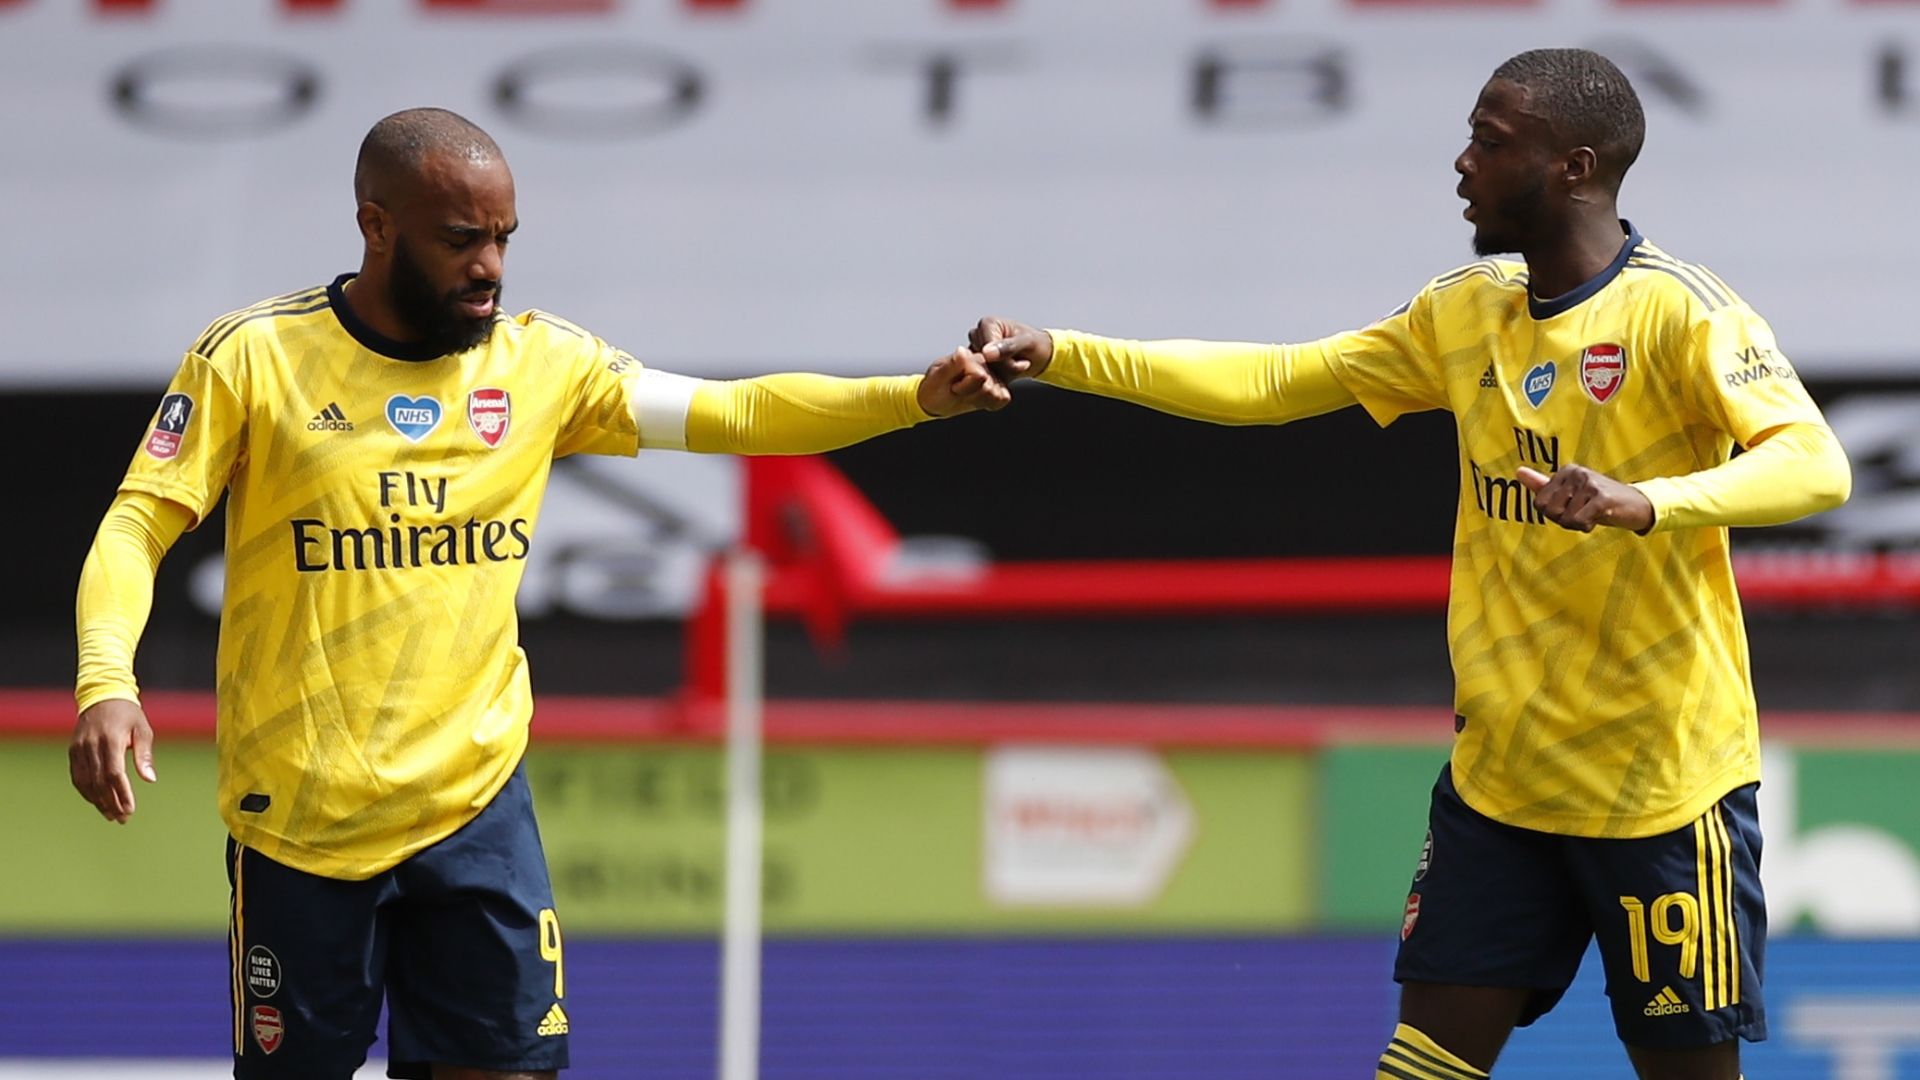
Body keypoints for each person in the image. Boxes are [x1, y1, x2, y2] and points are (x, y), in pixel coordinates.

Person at [68, 107, 1008, 1080]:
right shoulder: (254, 358)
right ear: (376, 226)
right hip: (302, 820)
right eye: (461, 239)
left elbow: (732, 410)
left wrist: (911, 398)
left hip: (475, 804)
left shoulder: (543, 367)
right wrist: (107, 683)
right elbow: (138, 522)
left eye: (504, 239)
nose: (490, 267)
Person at [971, 48, 1850, 1080]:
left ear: (1572, 167)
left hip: (1662, 789)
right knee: (1424, 1063)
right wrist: (1063, 353)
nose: (1462, 162)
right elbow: (1274, 380)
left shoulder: (1681, 312)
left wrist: (1644, 501)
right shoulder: (1463, 309)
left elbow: (1816, 465)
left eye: (1491, 139)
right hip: (1501, 787)